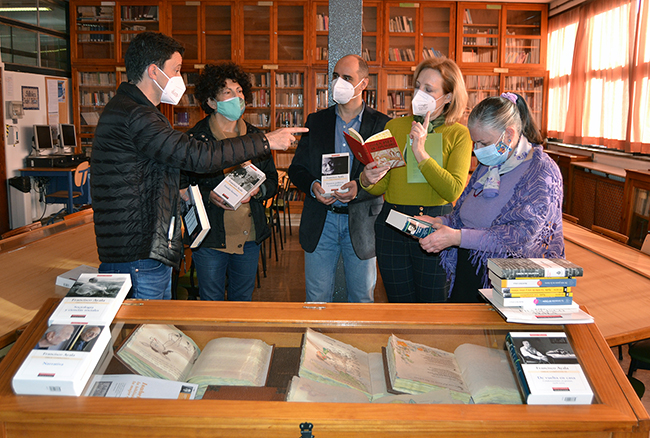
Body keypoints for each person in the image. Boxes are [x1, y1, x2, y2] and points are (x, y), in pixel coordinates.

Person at [91, 32, 306, 300]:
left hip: (137, 246)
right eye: (177, 70)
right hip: (139, 252)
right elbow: (197, 157)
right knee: (145, 331)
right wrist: (265, 140)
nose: (180, 78)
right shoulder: (137, 115)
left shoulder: (130, 109)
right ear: (154, 72)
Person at [418, 92, 565, 303]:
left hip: (512, 285)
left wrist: (457, 237)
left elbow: (521, 237)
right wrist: (439, 222)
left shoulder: (542, 172)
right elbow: (465, 215)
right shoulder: (490, 165)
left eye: (482, 142)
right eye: (474, 143)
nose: (477, 151)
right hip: (472, 270)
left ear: (509, 135)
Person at [359, 57, 472, 303]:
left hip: (434, 226)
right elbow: (381, 184)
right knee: (398, 305)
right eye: (417, 86)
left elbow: (452, 190)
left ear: (449, 97)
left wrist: (420, 153)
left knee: (433, 305)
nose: (419, 94)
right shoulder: (396, 126)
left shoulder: (458, 133)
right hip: (393, 227)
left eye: (429, 90)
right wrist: (366, 178)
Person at [288, 54, 391, 303]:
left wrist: (360, 188)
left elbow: (387, 177)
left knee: (362, 298)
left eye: (347, 78)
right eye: (335, 76)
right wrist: (313, 186)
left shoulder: (381, 125)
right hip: (322, 222)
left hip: (362, 223)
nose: (338, 82)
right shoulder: (316, 121)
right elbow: (297, 169)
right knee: (316, 298)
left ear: (363, 84)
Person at [180, 62, 279, 301]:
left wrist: (257, 192)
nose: (238, 97)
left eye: (240, 91)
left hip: (249, 237)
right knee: (211, 302)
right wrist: (209, 197)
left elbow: (272, 181)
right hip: (211, 239)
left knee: (242, 303)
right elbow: (182, 188)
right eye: (228, 92)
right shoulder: (195, 140)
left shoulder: (257, 137)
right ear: (211, 102)